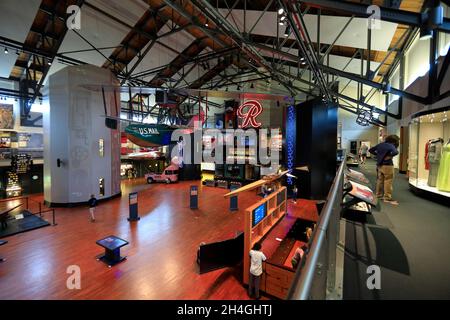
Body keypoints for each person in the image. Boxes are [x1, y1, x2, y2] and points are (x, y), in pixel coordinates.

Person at [369, 135, 400, 204]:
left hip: (379, 165)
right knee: (388, 181)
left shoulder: (381, 144)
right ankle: (387, 198)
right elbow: (396, 152)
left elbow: (370, 150)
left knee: (380, 180)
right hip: (388, 165)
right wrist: (389, 156)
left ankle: (378, 195)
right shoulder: (391, 145)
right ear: (394, 141)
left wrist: (378, 155)